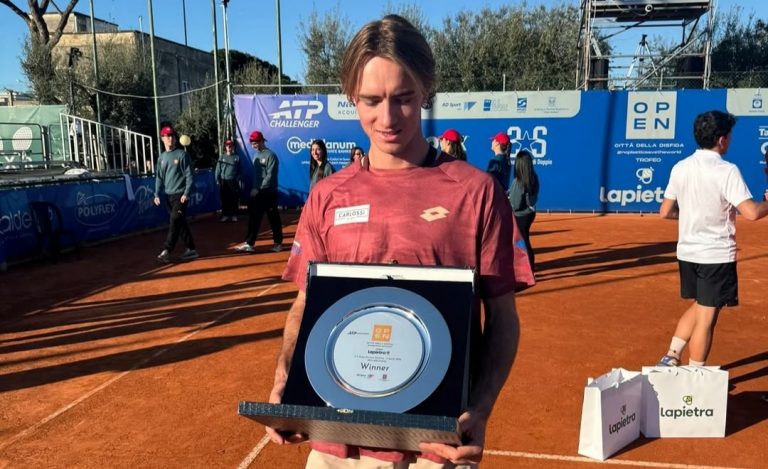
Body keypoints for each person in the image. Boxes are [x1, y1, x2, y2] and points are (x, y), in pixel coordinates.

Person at [266, 14, 532, 467]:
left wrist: (481, 409)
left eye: (403, 99)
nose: (387, 118)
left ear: (426, 89)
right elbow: (306, 304)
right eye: (371, 100)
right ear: (352, 97)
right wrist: (285, 379)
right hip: (337, 447)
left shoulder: (476, 192)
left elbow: (502, 317)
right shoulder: (328, 196)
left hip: (436, 449)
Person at [657, 110, 768, 367]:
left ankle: (671, 356)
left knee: (700, 306)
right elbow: (751, 212)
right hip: (715, 255)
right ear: (721, 139)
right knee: (707, 317)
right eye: (729, 135)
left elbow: (666, 212)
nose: (730, 140)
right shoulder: (727, 170)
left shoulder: (680, 167)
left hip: (687, 254)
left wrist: (692, 215)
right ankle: (694, 376)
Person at [154, 126, 198, 263]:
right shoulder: (161, 157)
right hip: (168, 196)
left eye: (172, 136)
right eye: (167, 136)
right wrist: (156, 194)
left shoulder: (182, 155)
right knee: (180, 222)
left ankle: (167, 250)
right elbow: (159, 177)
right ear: (162, 139)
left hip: (181, 196)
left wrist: (186, 193)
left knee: (174, 220)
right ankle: (191, 249)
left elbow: (190, 176)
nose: (170, 138)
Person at [236, 130, 283, 253]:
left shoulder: (271, 156)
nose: (253, 144)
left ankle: (278, 243)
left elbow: (270, 176)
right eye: (252, 142)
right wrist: (254, 188)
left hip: (269, 193)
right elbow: (257, 176)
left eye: (256, 142)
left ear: (262, 141)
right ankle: (249, 243)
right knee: (254, 218)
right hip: (257, 193)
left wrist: (259, 188)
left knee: (273, 218)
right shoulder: (256, 156)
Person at [508, 150, 539, 271]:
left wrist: (508, 199)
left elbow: (515, 204)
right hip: (530, 214)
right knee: (523, 240)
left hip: (520, 216)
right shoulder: (533, 177)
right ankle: (528, 267)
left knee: (522, 242)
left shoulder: (518, 182)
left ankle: (528, 268)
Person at [215, 139, 241, 222]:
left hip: (233, 181)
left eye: (230, 145)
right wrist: (217, 180)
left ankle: (234, 215)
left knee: (234, 198)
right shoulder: (222, 157)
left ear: (233, 147)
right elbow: (217, 170)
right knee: (224, 198)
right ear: (225, 147)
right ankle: (225, 215)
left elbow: (240, 170)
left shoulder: (237, 157)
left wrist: (238, 178)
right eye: (227, 145)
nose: (229, 147)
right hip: (224, 181)